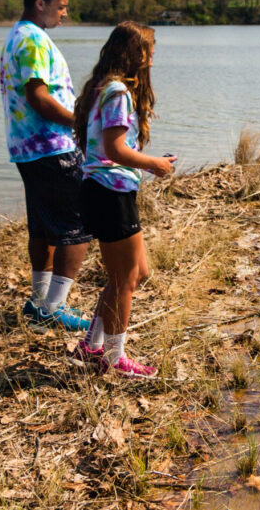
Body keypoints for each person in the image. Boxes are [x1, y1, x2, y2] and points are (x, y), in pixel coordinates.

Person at [71, 21, 176, 377]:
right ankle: (115, 358)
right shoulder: (117, 91)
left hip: (103, 190)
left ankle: (91, 345)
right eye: (150, 48)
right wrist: (154, 164)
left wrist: (145, 163)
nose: (153, 56)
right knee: (126, 278)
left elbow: (107, 146)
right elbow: (115, 149)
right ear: (136, 52)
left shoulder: (102, 86)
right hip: (110, 191)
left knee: (132, 273)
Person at [0, 0, 93, 330]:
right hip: (51, 146)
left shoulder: (14, 36)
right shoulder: (34, 41)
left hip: (27, 148)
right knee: (78, 226)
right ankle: (53, 307)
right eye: (62, 6)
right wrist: (79, 122)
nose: (64, 14)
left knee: (42, 227)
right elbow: (38, 97)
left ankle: (39, 301)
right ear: (41, 4)